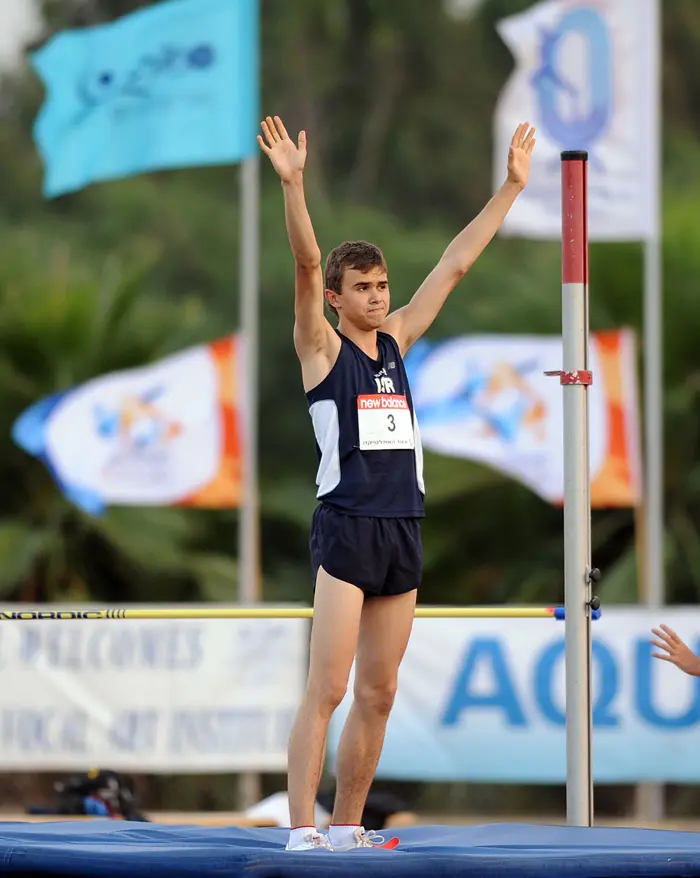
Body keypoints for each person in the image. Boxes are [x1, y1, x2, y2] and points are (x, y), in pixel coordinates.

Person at [257, 114, 535, 852]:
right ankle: (301, 832)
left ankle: (348, 826)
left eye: (382, 286)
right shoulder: (319, 350)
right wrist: (294, 186)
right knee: (330, 690)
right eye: (364, 289)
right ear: (338, 301)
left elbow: (455, 263)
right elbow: (307, 264)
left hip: (403, 526)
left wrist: (509, 188)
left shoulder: (400, 341)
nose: (378, 297)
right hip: (347, 523)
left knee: (379, 694)